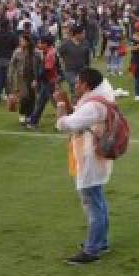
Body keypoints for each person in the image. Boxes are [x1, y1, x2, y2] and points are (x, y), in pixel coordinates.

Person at [54, 68, 117, 265]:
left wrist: (61, 103)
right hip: (97, 154)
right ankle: (101, 242)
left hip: (91, 156)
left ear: (87, 85)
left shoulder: (93, 106)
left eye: (78, 82)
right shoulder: (101, 93)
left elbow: (64, 125)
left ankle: (92, 250)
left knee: (92, 203)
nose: (75, 85)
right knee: (98, 200)